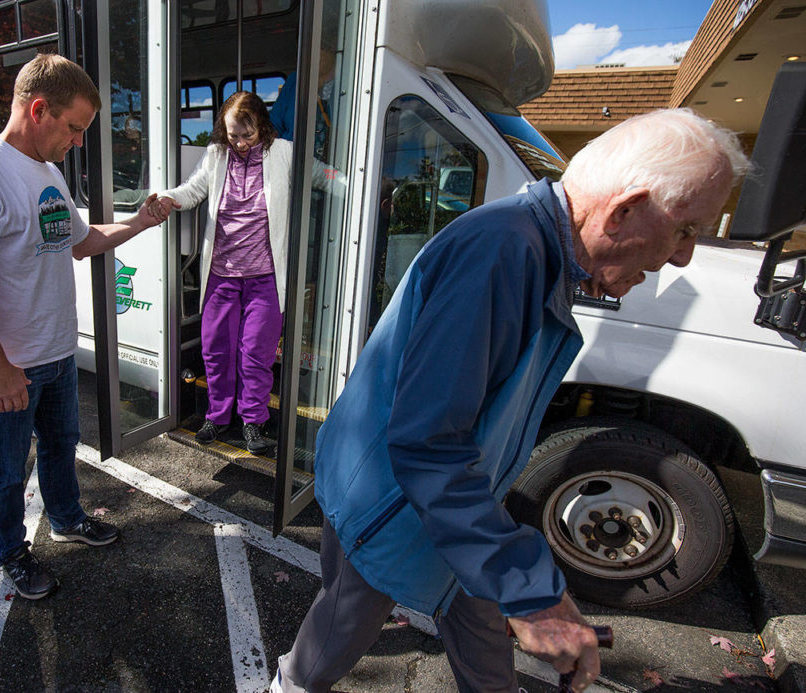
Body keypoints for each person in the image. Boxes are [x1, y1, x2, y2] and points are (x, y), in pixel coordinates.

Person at [270, 108, 750, 693]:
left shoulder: (536, 250)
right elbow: (427, 445)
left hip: (457, 506)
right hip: (391, 503)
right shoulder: (502, 251)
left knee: (485, 626)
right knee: (339, 632)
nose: (683, 257)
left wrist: (529, 589)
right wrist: (531, 595)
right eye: (686, 229)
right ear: (624, 211)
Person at [0, 54, 170, 600]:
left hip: (56, 354)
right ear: (38, 109)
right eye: (74, 127)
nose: (79, 141)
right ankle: (11, 551)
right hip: (10, 366)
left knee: (62, 445)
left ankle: (65, 518)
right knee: (4, 470)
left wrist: (139, 222)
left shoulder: (47, 171)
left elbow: (82, 242)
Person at [153, 91, 294, 456]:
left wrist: (362, 187)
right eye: (234, 135)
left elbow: (324, 176)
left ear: (263, 126)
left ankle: (253, 422)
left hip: (265, 278)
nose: (241, 142)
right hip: (222, 276)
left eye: (248, 134)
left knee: (255, 354)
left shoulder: (285, 154)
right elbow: (193, 190)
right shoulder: (217, 156)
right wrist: (167, 198)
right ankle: (217, 415)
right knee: (216, 350)